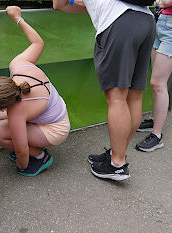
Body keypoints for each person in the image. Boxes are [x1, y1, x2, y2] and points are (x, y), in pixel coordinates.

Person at [53, 0, 155, 180]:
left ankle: (117, 163)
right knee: (134, 96)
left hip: (119, 22)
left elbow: (59, 4)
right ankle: (118, 153)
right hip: (146, 20)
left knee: (117, 98)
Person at [0, 6, 70, 177]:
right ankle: (35, 145)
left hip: (56, 129)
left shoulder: (17, 112)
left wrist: (22, 164)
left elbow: (20, 151)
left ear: (7, 104)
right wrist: (18, 18)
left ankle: (40, 156)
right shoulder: (19, 66)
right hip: (53, 112)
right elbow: (38, 43)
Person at [136, 0, 172, 152]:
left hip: (170, 29)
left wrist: (159, 2)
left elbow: (165, 2)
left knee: (158, 83)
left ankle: (156, 136)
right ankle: (153, 119)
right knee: (156, 83)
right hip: (160, 22)